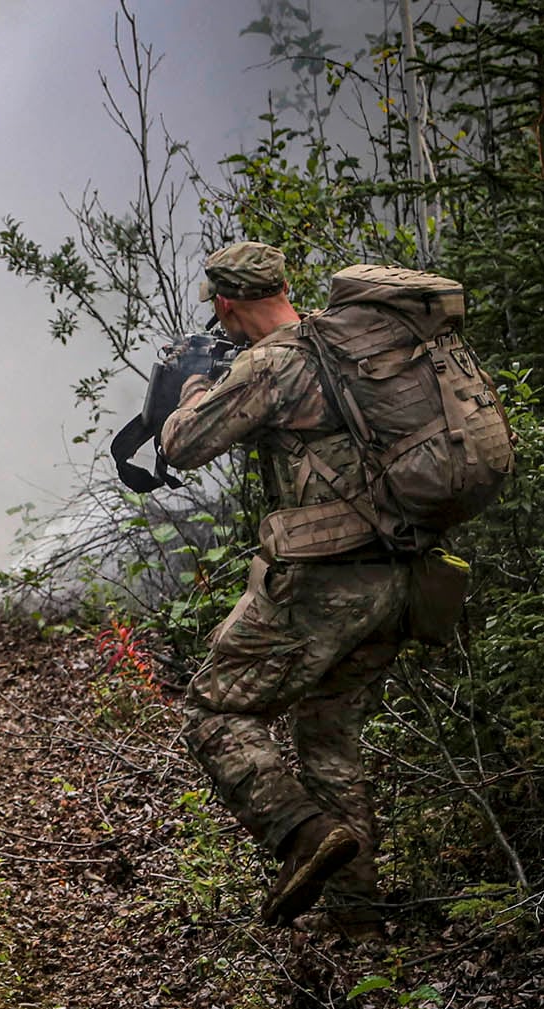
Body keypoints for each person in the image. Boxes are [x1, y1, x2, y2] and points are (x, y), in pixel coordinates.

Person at [160, 241, 407, 940]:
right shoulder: (348, 345)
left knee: (214, 710)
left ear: (225, 303)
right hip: (400, 576)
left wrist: (195, 384)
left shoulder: (274, 364)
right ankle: (356, 923)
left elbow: (182, 445)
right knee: (330, 736)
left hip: (322, 583)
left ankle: (302, 835)